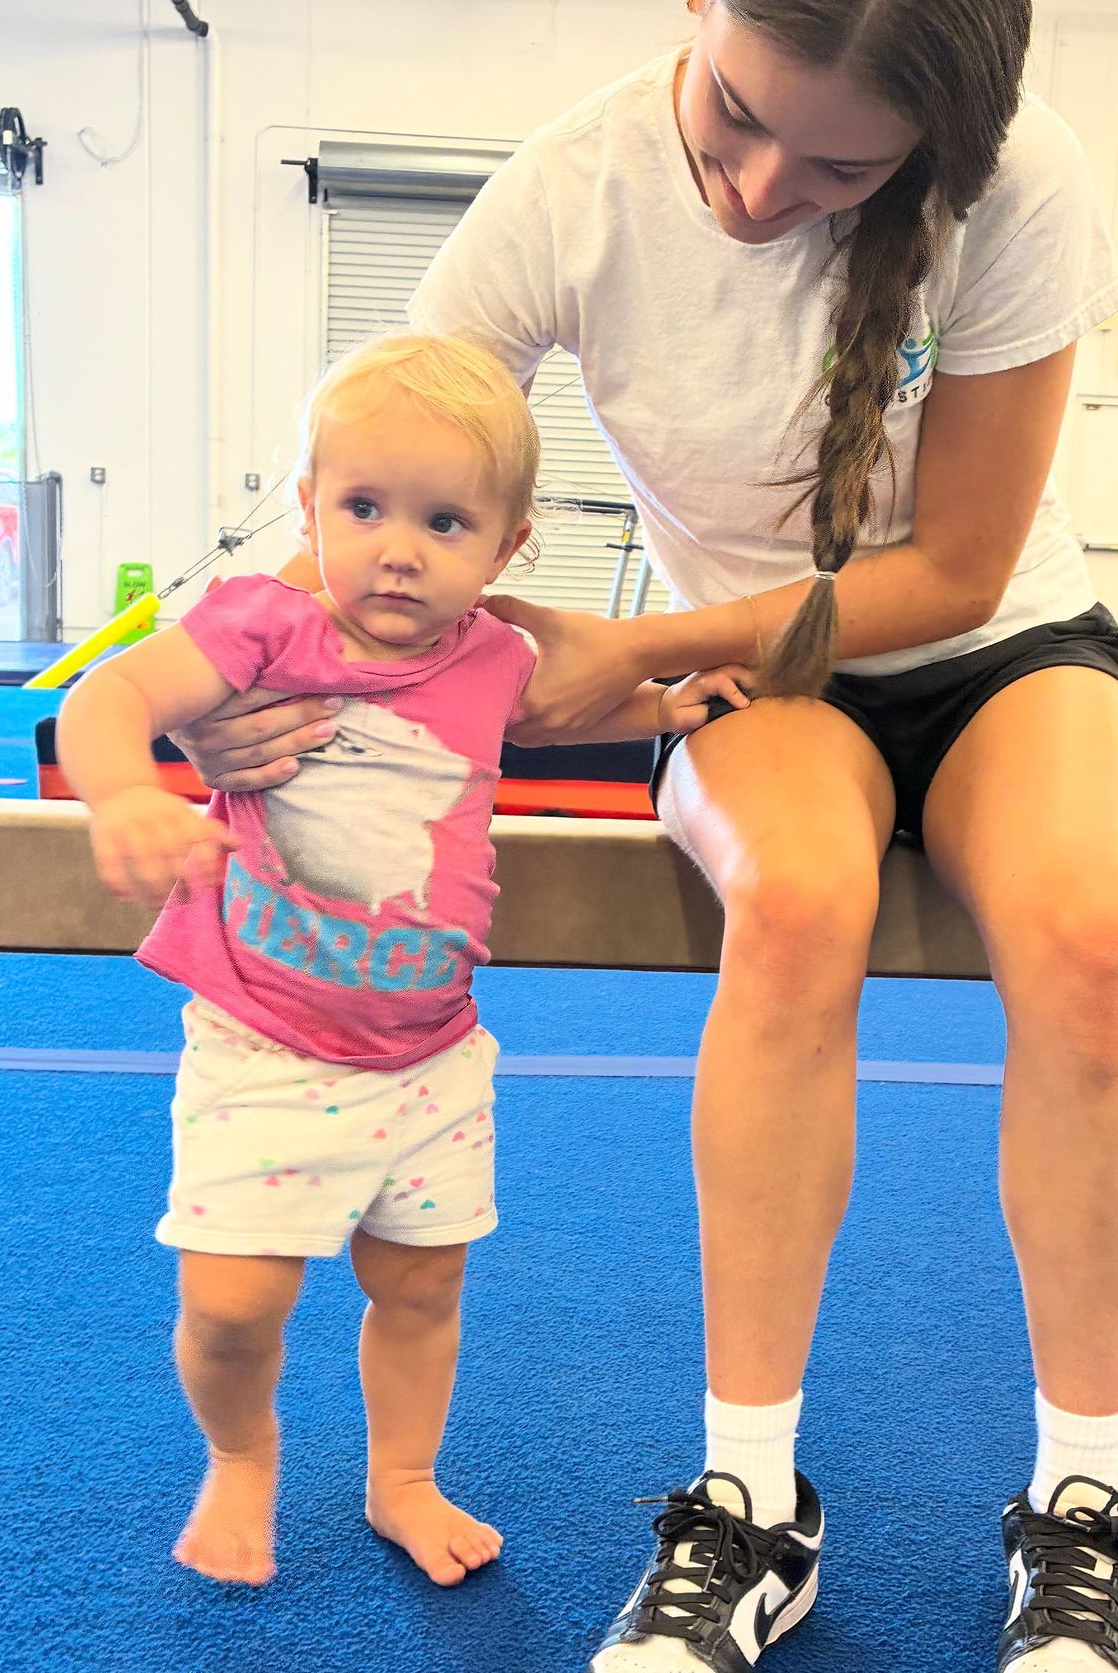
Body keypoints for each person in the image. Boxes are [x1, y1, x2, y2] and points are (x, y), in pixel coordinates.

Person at [183, 0, 1118, 1673]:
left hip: (990, 648)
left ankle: (1082, 1514)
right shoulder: (575, 183)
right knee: (797, 900)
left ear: (940, 147)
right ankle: (747, 1502)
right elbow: (377, 472)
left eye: (838, 167)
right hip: (755, 672)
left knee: (1082, 931)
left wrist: (616, 660)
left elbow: (957, 572)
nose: (755, 188)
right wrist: (231, 669)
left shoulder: (1026, 184)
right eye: (736, 117)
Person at [58, 334, 739, 1590]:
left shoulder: (491, 657)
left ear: (506, 548)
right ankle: (243, 1452)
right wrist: (122, 795)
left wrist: (665, 707)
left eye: (444, 521)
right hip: (267, 1038)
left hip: (430, 1058)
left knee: (420, 1288)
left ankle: (403, 1476)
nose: (398, 547)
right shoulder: (261, 626)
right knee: (232, 1303)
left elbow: (562, 709)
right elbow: (111, 694)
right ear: (308, 504)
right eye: (362, 507)